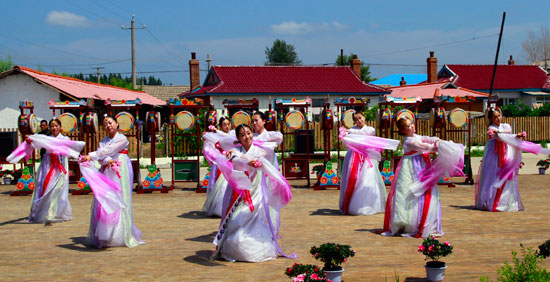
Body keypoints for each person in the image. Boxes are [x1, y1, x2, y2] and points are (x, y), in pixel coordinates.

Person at [211, 124, 294, 262]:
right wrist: (247, 161)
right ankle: (234, 245)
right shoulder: (234, 151)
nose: (247, 137)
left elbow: (266, 159)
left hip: (255, 190)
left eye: (249, 133)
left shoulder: (260, 151)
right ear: (238, 138)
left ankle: (256, 247)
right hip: (239, 191)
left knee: (254, 217)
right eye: (243, 135)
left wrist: (256, 163)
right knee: (235, 218)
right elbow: (234, 159)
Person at [82, 115, 144, 248]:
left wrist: (91, 156)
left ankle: (120, 234)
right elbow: (103, 156)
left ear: (116, 124)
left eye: (110, 123)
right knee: (105, 200)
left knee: (121, 198)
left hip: (120, 169)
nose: (108, 125)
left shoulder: (122, 139)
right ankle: (106, 234)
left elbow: (109, 150)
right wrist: (107, 160)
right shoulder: (103, 141)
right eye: (105, 124)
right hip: (107, 171)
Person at [383, 117, 443, 238]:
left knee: (425, 193)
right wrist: (441, 147)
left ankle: (424, 221)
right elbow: (427, 147)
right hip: (411, 169)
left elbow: (427, 139)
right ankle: (412, 223)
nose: (412, 127)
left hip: (421, 166)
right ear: (403, 130)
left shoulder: (416, 136)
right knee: (410, 193)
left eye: (412, 124)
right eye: (408, 126)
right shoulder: (409, 141)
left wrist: (437, 139)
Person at [475, 109, 526, 212]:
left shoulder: (506, 126)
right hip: (494, 155)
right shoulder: (491, 128)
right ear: (491, 119)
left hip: (506, 152)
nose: (498, 118)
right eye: (495, 117)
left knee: (507, 176)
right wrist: (515, 135)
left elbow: (506, 135)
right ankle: (489, 201)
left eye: (499, 116)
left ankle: (505, 202)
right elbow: (499, 136)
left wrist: (516, 136)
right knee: (491, 176)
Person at [339, 112, 390, 215]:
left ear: (364, 117)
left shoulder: (370, 129)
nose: (359, 121)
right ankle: (353, 203)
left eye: (360, 118)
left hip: (367, 157)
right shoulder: (353, 130)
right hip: (354, 157)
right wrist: (344, 133)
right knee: (354, 178)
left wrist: (348, 131)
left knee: (368, 178)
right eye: (356, 120)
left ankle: (369, 204)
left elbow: (364, 134)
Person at [28, 119, 74, 225]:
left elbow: (69, 150)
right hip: (48, 166)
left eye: (56, 125)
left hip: (60, 165)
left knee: (57, 189)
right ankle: (46, 212)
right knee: (47, 188)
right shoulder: (47, 139)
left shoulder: (65, 138)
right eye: (52, 126)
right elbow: (37, 143)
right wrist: (30, 141)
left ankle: (52, 214)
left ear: (60, 127)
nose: (54, 128)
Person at [201, 117, 232, 217]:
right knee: (216, 185)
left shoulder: (233, 134)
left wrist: (216, 131)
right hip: (220, 162)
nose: (227, 126)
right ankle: (217, 207)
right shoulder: (216, 136)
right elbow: (209, 146)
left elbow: (229, 138)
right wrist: (207, 137)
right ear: (221, 125)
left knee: (227, 185)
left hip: (231, 162)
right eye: (224, 124)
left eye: (228, 124)